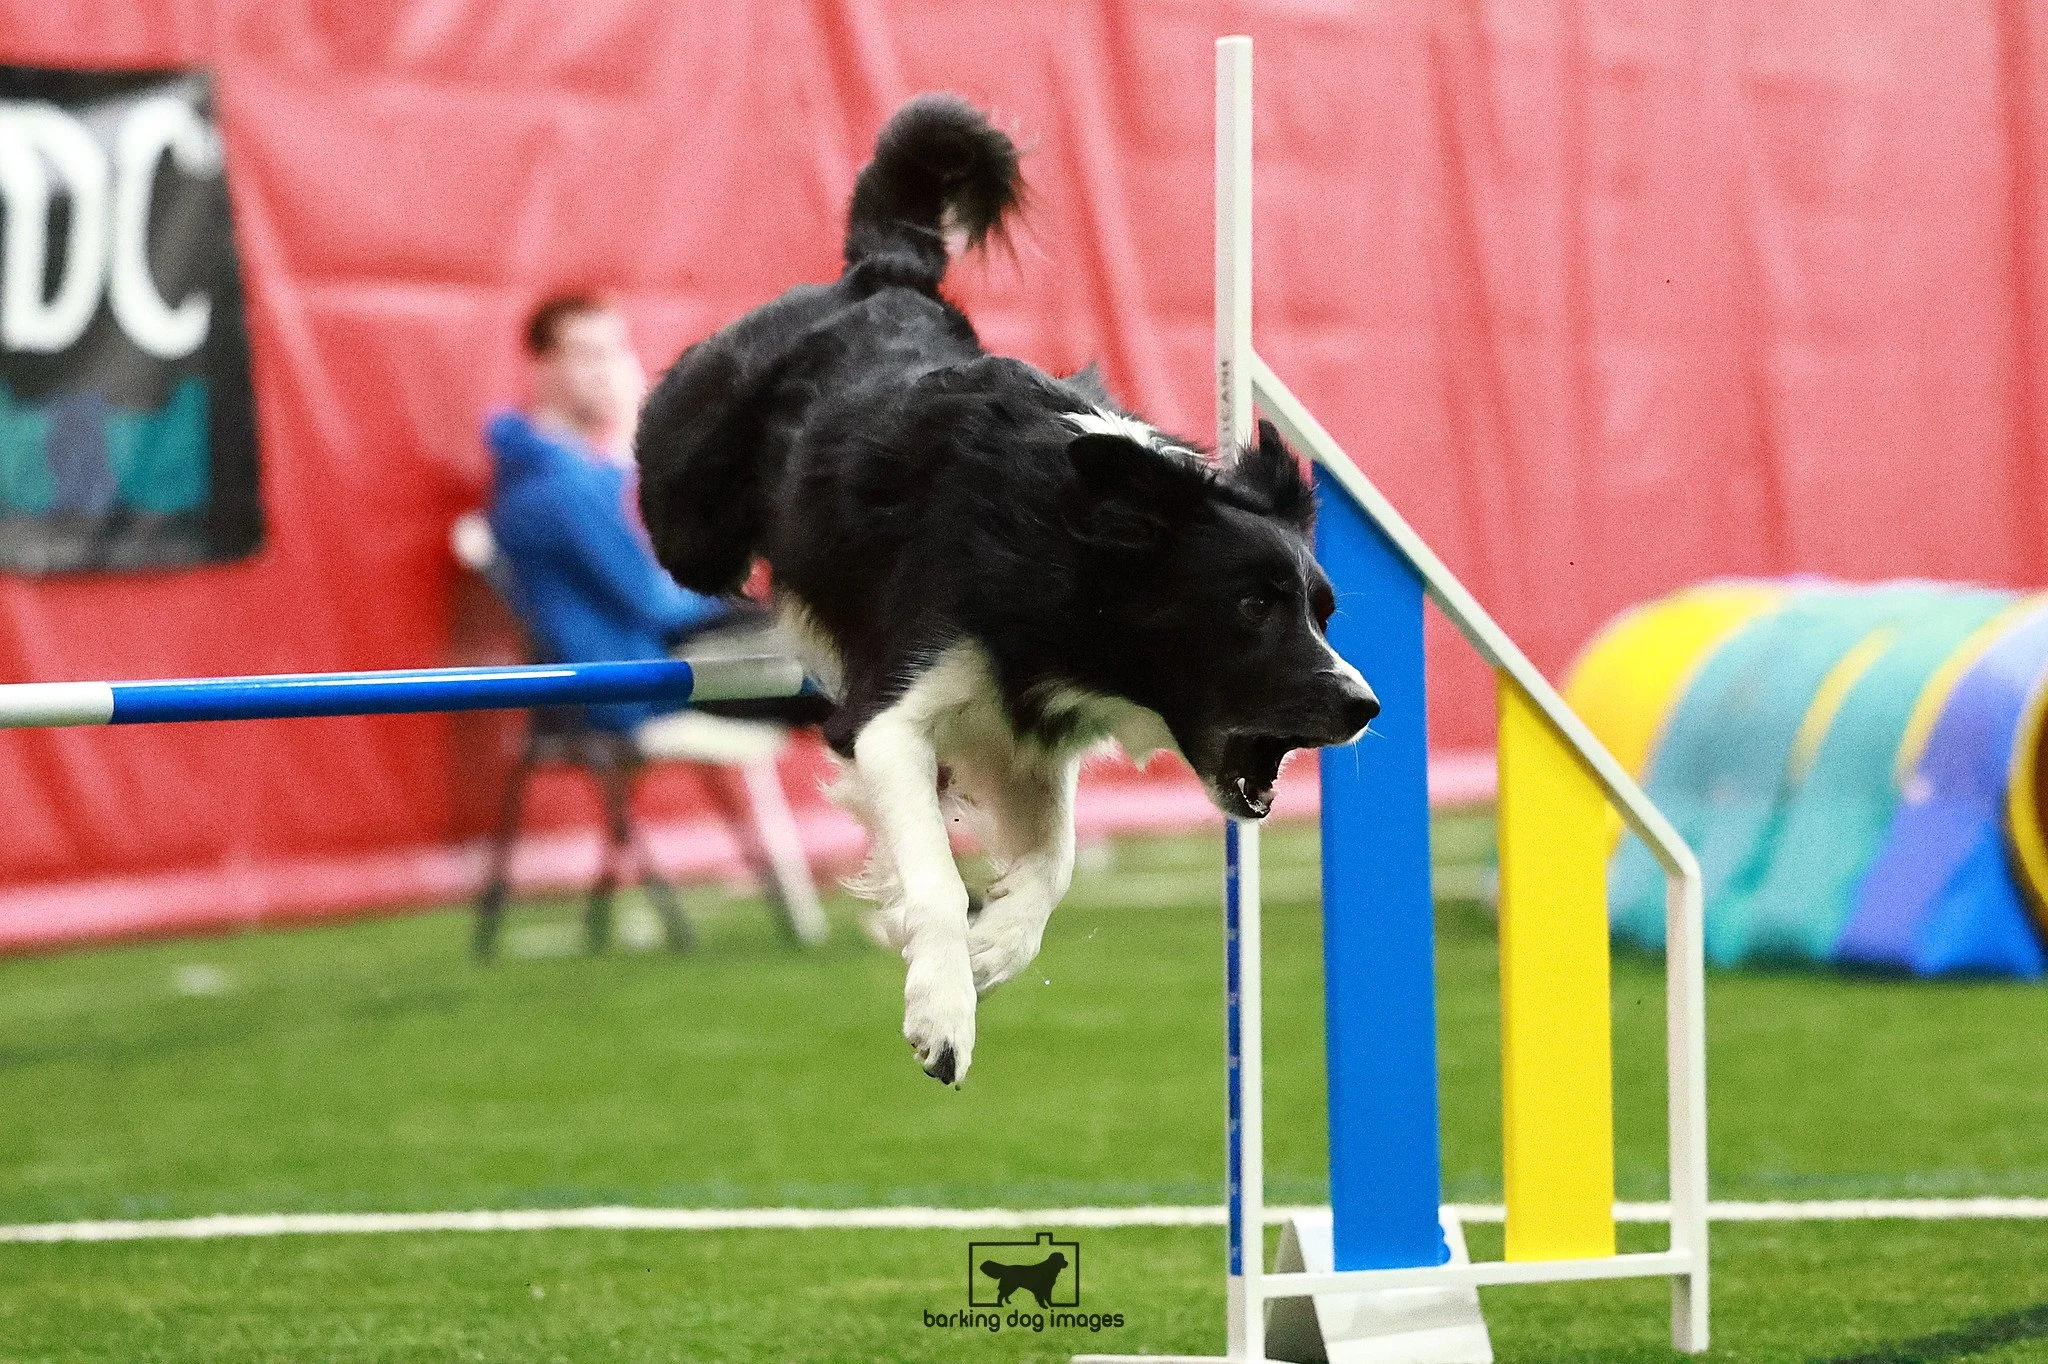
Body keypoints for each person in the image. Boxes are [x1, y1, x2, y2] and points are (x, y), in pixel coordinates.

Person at [484, 292, 733, 732]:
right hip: (631, 688)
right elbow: (655, 599)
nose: (609, 370)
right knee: (826, 668)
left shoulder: (589, 472)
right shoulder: (555, 485)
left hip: (651, 668)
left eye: (617, 351)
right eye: (589, 355)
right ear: (542, 367)